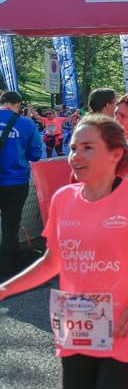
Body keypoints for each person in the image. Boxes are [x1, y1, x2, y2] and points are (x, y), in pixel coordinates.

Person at [0, 115, 128, 389]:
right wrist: (4, 289)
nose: (75, 156)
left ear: (116, 153)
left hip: (126, 331)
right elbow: (52, 262)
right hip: (78, 331)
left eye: (88, 147)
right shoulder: (63, 199)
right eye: (73, 148)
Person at [0, 91, 44, 277]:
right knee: (10, 225)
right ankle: (6, 269)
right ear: (18, 104)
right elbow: (35, 154)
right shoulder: (25, 123)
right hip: (15, 183)